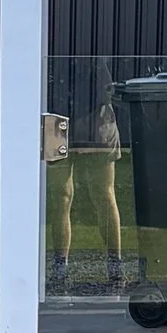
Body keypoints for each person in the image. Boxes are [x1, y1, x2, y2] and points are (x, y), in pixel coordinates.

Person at [45, 92, 125, 285]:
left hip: (95, 119)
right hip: (58, 119)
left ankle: (115, 268)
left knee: (102, 194)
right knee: (62, 197)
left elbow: (106, 88)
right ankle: (60, 269)